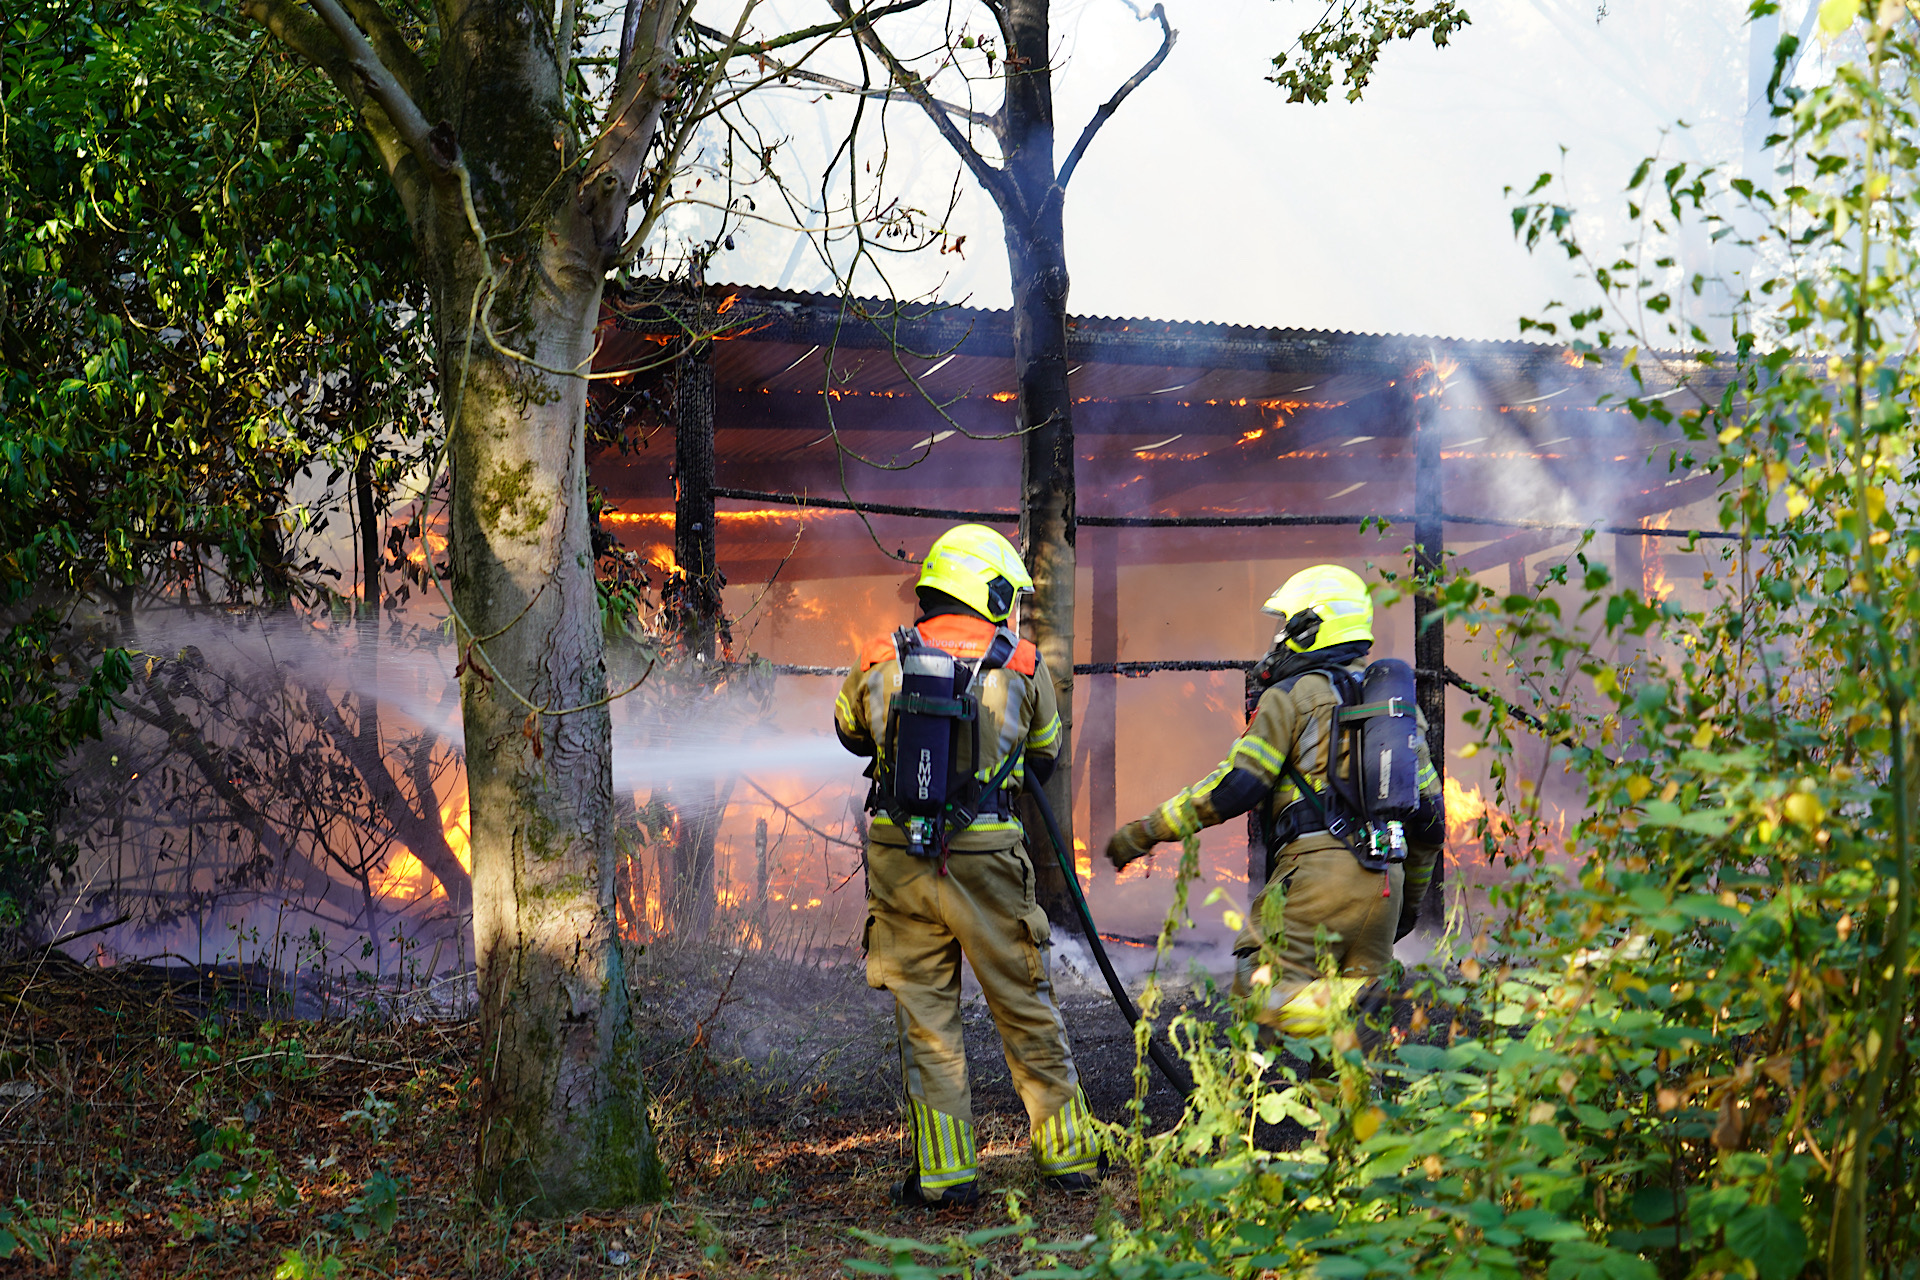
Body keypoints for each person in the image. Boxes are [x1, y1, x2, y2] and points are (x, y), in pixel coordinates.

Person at [835, 523, 1102, 1208]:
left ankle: (948, 1178)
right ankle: (1069, 1159)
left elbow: (848, 733)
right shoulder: (1021, 663)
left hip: (899, 857)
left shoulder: (878, 655)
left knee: (926, 1017)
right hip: (984, 855)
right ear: (984, 588)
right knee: (1024, 1003)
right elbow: (1044, 750)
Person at [1105, 564, 1444, 1039]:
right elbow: (1430, 823)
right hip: (1385, 881)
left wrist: (1145, 832)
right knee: (1346, 1060)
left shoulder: (1291, 696)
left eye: (1287, 625)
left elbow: (1236, 786)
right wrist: (1403, 907)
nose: (1279, 638)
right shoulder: (1396, 713)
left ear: (1311, 627)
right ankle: (1351, 1054)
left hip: (1314, 879)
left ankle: (1346, 1006)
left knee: (1256, 991)